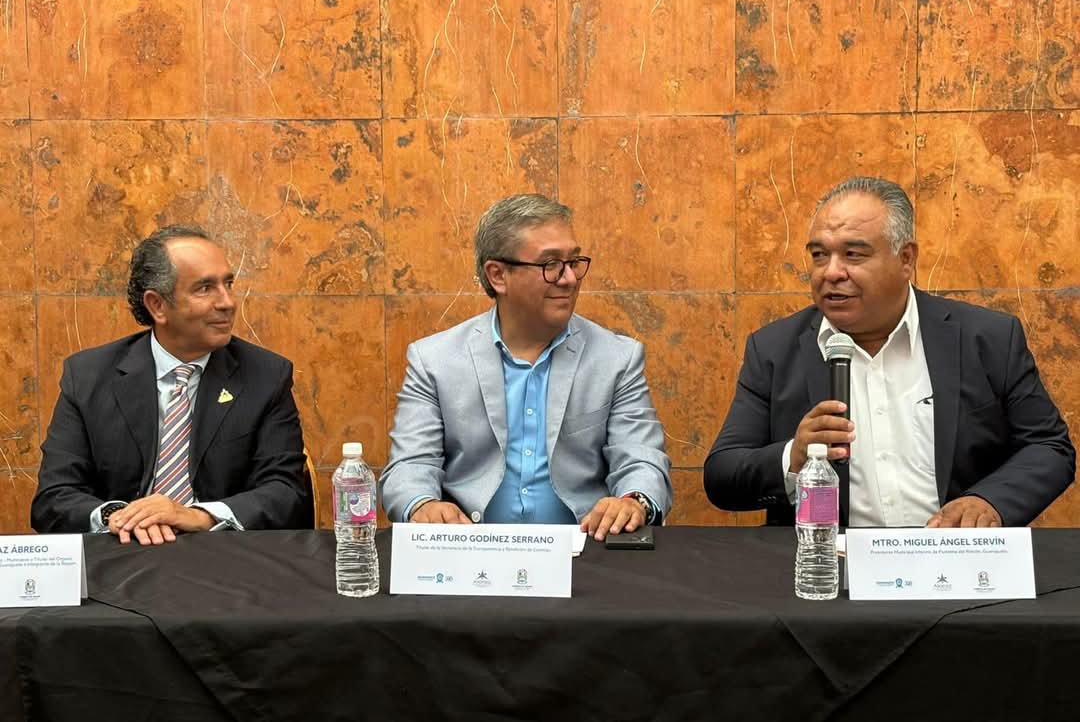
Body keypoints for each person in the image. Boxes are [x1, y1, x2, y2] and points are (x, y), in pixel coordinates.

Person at [704, 177, 1074, 528]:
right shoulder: (774, 349)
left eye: (853, 254)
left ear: (906, 259)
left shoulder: (987, 338)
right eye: (819, 255)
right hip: (831, 561)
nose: (831, 272)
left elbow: (1048, 446)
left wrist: (989, 501)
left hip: (952, 555)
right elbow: (722, 475)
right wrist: (794, 456)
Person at [380, 194, 672, 540]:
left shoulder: (617, 358)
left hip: (584, 550)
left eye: (573, 261)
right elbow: (410, 465)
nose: (569, 279)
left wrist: (634, 500)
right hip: (470, 550)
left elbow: (641, 459)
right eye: (551, 264)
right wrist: (422, 504)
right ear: (498, 275)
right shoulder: (434, 360)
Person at [32, 225, 312, 544]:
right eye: (205, 288)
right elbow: (54, 497)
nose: (228, 302)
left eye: (228, 284)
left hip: (224, 556)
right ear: (157, 305)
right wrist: (120, 517)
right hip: (121, 555)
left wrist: (198, 516)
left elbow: (286, 492)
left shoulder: (266, 375)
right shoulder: (88, 376)